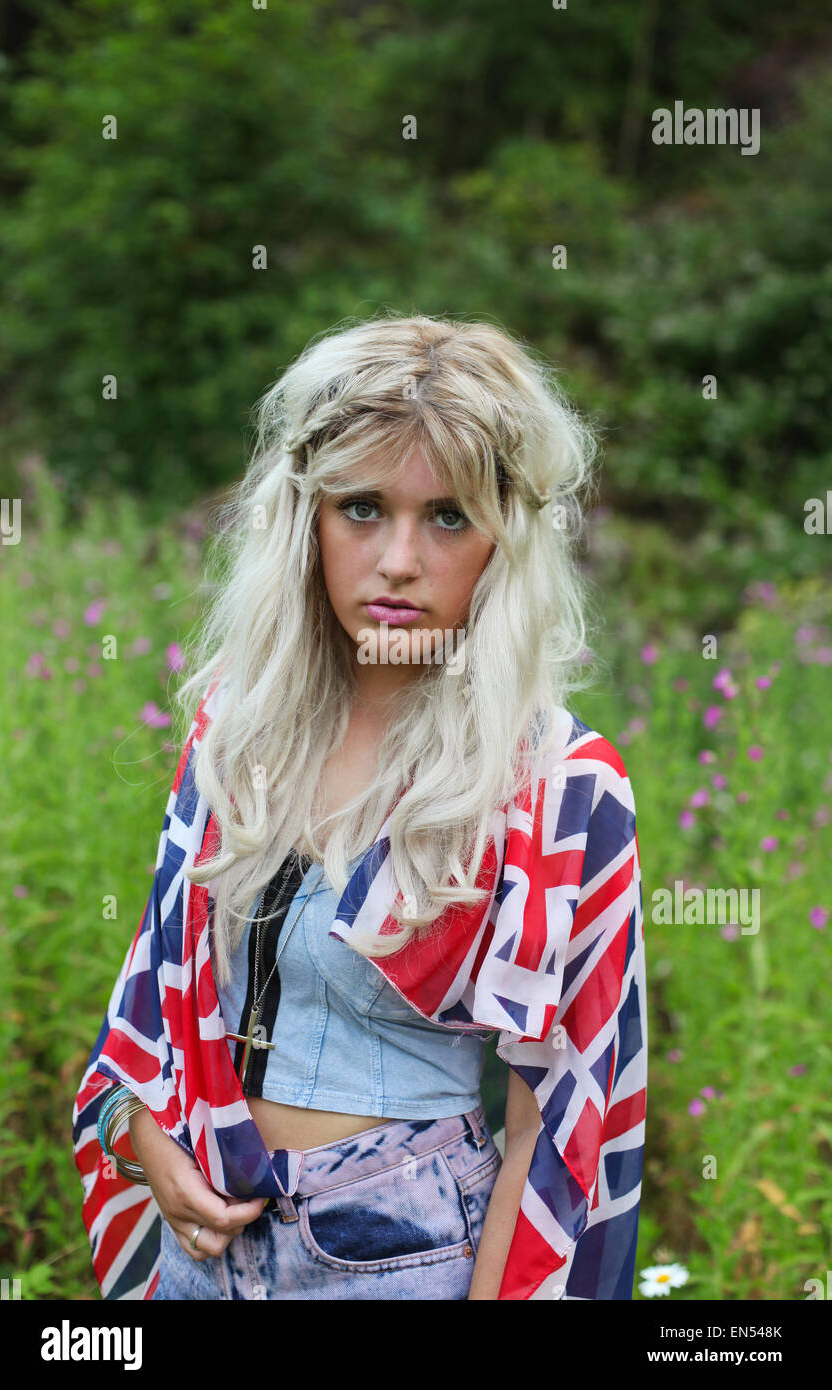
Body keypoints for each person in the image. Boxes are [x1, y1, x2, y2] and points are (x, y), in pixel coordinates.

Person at [72, 312, 647, 1300]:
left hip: (399, 1258)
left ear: (506, 539)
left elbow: (553, 1127)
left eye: (449, 517)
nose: (397, 560)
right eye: (363, 509)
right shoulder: (238, 730)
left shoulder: (556, 785)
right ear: (306, 517)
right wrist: (142, 1133)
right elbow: (157, 1000)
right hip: (200, 1246)